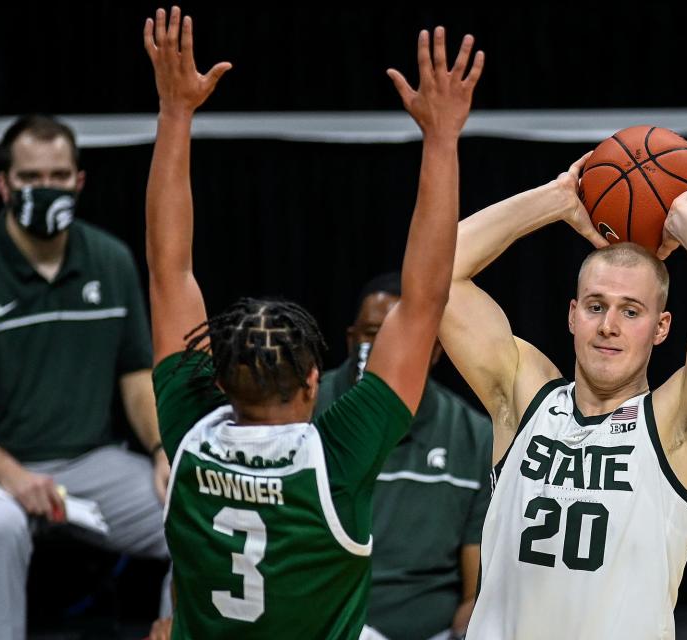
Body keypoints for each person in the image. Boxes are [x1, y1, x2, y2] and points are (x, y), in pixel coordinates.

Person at [142, 6, 482, 639]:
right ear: (309, 385)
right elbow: (426, 299)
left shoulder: (189, 435)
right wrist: (441, 139)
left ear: (215, 376)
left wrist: (174, 114)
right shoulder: (334, 457)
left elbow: (169, 271)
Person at [439, 158, 687, 638]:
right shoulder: (525, 397)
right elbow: (437, 272)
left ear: (661, 327)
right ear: (573, 315)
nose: (608, 325)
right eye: (595, 306)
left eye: (631, 311)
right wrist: (556, 200)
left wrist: (684, 221)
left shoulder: (678, 424)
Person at [0, 113, 170, 639]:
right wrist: (13, 477)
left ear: (79, 181)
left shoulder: (110, 260)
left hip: (91, 461)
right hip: (0, 469)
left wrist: (161, 449)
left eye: (58, 177)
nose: (46, 190)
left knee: (194, 513)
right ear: (4, 185)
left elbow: (136, 373)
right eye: (30, 179)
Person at [315, 272, 492, 640]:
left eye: (404, 333)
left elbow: (474, 593)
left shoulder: (473, 434)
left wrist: (474, 621)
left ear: (437, 348)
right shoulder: (307, 411)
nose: (386, 347)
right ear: (351, 341)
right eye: (372, 333)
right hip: (325, 624)